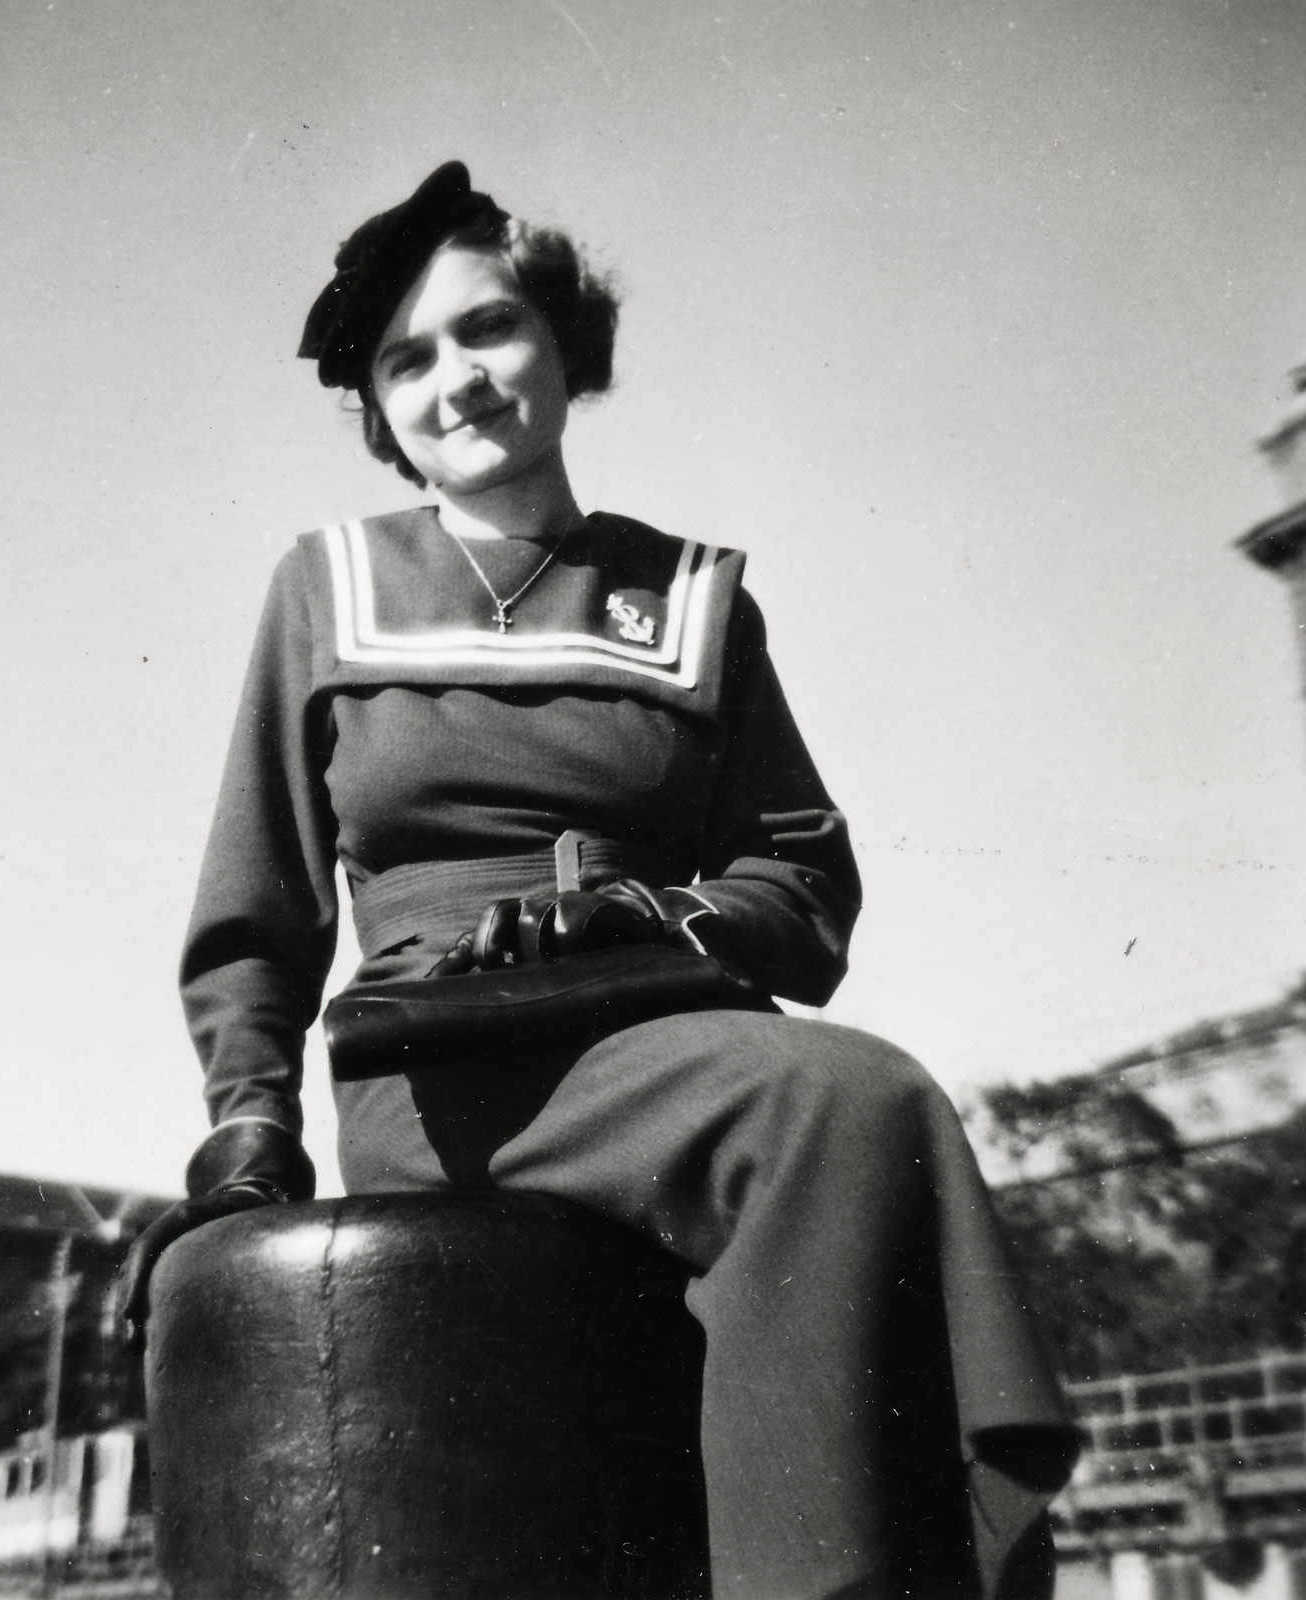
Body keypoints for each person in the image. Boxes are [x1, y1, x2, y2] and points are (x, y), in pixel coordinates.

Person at [122, 161, 1078, 1599]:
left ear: (566, 341)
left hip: (661, 1031)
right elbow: (256, 912)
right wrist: (250, 1127)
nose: (461, 380)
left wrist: (643, 913)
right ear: (379, 411)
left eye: (490, 329)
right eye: (408, 360)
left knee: (844, 1107)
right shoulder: (326, 586)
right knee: (850, 1100)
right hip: (443, 1060)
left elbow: (805, 882)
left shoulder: (691, 597)